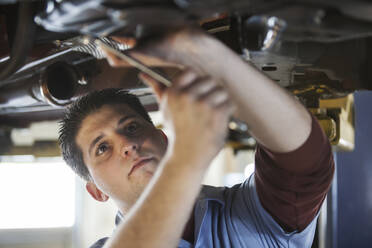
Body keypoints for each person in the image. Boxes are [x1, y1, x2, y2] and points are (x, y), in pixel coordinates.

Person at [58, 28, 334, 248]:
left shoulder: (252, 214)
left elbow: (305, 161)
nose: (127, 145)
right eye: (102, 147)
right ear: (96, 191)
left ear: (164, 139)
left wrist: (214, 59)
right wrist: (187, 156)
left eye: (131, 127)